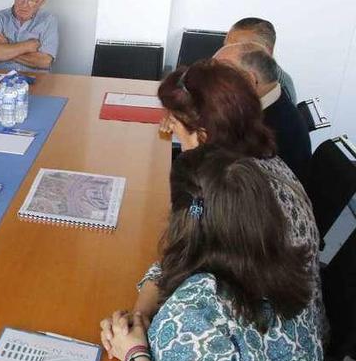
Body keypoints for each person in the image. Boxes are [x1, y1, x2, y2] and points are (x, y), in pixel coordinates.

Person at [99, 146, 322, 361]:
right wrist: (140, 315)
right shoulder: (278, 259)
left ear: (182, 221)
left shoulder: (194, 311)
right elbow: (173, 264)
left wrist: (134, 355)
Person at [133, 60, 322, 330]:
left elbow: (190, 266)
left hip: (259, 337)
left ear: (203, 136)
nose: (174, 135)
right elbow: (186, 253)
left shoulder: (230, 191)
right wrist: (142, 309)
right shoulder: (255, 161)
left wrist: (140, 329)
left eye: (177, 128)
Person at [214, 42, 311, 182]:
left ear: (249, 80)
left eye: (219, 77)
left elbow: (226, 181)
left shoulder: (273, 130)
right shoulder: (275, 102)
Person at [225, 17, 297, 102]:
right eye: (226, 47)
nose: (226, 53)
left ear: (266, 52)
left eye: (238, 48)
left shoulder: (278, 91)